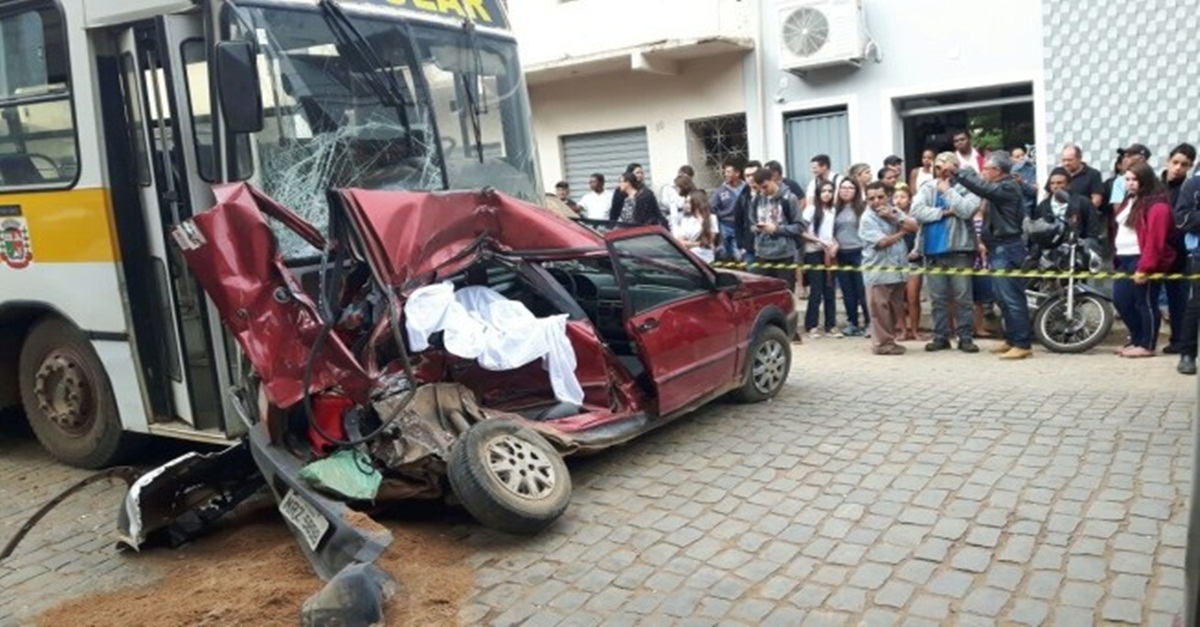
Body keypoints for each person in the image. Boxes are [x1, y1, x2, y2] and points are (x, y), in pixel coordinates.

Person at [948, 151, 1033, 359]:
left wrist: (958, 173)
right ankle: (1012, 339)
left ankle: (1022, 344)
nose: (983, 171)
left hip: (1008, 248)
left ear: (997, 170)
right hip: (998, 248)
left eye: (986, 168)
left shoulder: (1007, 187)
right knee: (1002, 299)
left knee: (1012, 298)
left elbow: (982, 188)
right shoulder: (1000, 187)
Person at [910, 152, 981, 353]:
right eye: (938, 168)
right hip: (932, 250)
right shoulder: (927, 187)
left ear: (956, 168)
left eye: (947, 168)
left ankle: (965, 337)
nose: (942, 172)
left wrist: (948, 192)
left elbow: (967, 210)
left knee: (963, 297)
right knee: (938, 298)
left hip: (960, 249)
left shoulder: (969, 187)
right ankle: (940, 336)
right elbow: (916, 211)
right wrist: (943, 213)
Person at [1110, 161, 1177, 358]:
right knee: (1121, 300)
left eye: (1134, 179)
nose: (1130, 183)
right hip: (1124, 258)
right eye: (1127, 179)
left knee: (1145, 302)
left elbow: (1156, 241)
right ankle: (1137, 339)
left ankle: (1147, 344)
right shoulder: (1129, 200)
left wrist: (1146, 267)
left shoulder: (1157, 206)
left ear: (1145, 180)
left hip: (1142, 259)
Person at [860, 181, 918, 355]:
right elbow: (882, 242)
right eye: (871, 198)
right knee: (879, 309)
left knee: (894, 308)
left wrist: (895, 218)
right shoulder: (867, 218)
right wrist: (901, 233)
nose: (877, 201)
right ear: (866, 200)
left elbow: (914, 226)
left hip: (898, 269)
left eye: (880, 197)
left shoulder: (894, 210)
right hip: (878, 271)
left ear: (888, 196)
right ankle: (881, 344)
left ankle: (889, 341)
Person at [1160, 144, 1196, 354]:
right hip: (1157, 247)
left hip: (1179, 251)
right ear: (1168, 160)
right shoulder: (1156, 185)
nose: (1178, 168)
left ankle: (1180, 341)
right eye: (1175, 162)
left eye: (1184, 165)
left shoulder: (1188, 188)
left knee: (1179, 298)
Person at [748, 168, 803, 289]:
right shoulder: (756, 199)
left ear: (773, 180)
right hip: (762, 253)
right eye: (759, 188)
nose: (763, 191)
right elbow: (751, 222)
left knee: (784, 293)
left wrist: (776, 229)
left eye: (765, 187)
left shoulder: (789, 198)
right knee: (763, 294)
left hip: (784, 254)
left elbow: (799, 227)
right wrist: (755, 228)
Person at [832, 177, 870, 336]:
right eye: (843, 188)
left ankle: (869, 323)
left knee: (862, 290)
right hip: (841, 253)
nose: (846, 191)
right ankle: (852, 322)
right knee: (847, 291)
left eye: (850, 188)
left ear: (856, 191)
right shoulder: (834, 209)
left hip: (859, 252)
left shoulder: (863, 208)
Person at [800, 181, 839, 337]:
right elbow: (801, 231)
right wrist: (818, 241)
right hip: (813, 253)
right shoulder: (810, 210)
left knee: (830, 290)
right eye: (824, 191)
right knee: (816, 291)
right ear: (818, 193)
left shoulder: (833, 210)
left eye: (830, 191)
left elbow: (834, 233)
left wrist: (835, 245)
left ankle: (831, 325)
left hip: (830, 254)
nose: (827, 194)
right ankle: (812, 325)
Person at [1172, 167, 1200, 374]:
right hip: (1199, 253)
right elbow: (1181, 218)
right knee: (1196, 304)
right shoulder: (1193, 184)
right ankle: (1187, 354)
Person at [893, 183, 923, 341]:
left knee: (913, 297)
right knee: (898, 298)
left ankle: (915, 330)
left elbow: (920, 233)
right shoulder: (890, 217)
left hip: (913, 260)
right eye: (896, 197)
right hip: (896, 261)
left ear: (910, 199)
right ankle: (902, 330)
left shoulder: (915, 216)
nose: (899, 200)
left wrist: (916, 251)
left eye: (903, 197)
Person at [710, 158, 747, 261]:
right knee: (725, 253)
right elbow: (712, 207)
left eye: (728, 172)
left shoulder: (746, 189)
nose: (725, 174)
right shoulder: (721, 190)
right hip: (724, 226)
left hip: (741, 226)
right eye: (725, 172)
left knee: (739, 255)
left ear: (737, 173)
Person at [672, 189, 720, 263]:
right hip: (690, 256)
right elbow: (680, 241)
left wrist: (690, 243)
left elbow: (710, 240)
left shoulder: (711, 218)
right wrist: (698, 244)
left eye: (689, 203)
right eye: (686, 202)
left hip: (706, 258)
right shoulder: (686, 220)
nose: (686, 205)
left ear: (696, 203)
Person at [733, 160, 763, 263]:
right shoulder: (743, 196)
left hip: (772, 248)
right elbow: (738, 222)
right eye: (747, 176)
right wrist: (741, 245)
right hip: (750, 247)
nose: (750, 178)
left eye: (753, 175)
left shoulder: (769, 193)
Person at [1011, 146, 1038, 217]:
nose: (1021, 158)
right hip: (1013, 209)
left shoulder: (1031, 169)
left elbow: (1033, 191)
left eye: (1023, 155)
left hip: (1028, 208)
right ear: (1011, 159)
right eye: (1017, 157)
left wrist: (1022, 182)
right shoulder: (1009, 172)